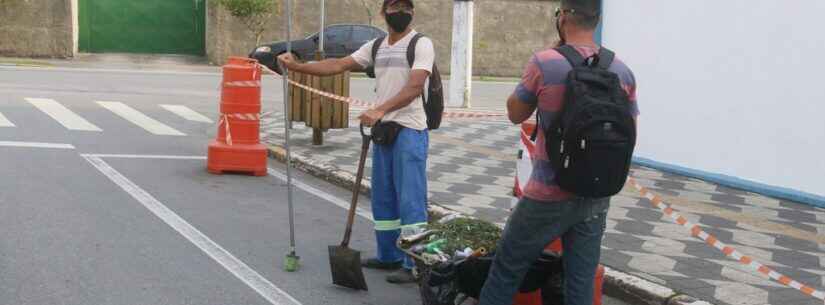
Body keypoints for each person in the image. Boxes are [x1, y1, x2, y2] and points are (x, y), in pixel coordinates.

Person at [477, 1, 639, 305]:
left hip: (547, 193)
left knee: (506, 269)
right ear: (598, 19)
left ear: (563, 17)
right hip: (596, 194)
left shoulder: (545, 62)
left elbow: (515, 112)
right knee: (578, 282)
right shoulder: (622, 70)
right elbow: (631, 135)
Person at [277, 0, 434, 284]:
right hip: (384, 131)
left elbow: (414, 87)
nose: (402, 11)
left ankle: (415, 264)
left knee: (411, 201)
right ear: (384, 12)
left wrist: (379, 109)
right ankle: (389, 256)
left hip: (410, 131)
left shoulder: (421, 44)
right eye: (395, 6)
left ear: (412, 12)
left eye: (407, 7)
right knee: (383, 197)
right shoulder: (377, 46)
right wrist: (299, 66)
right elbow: (337, 64)